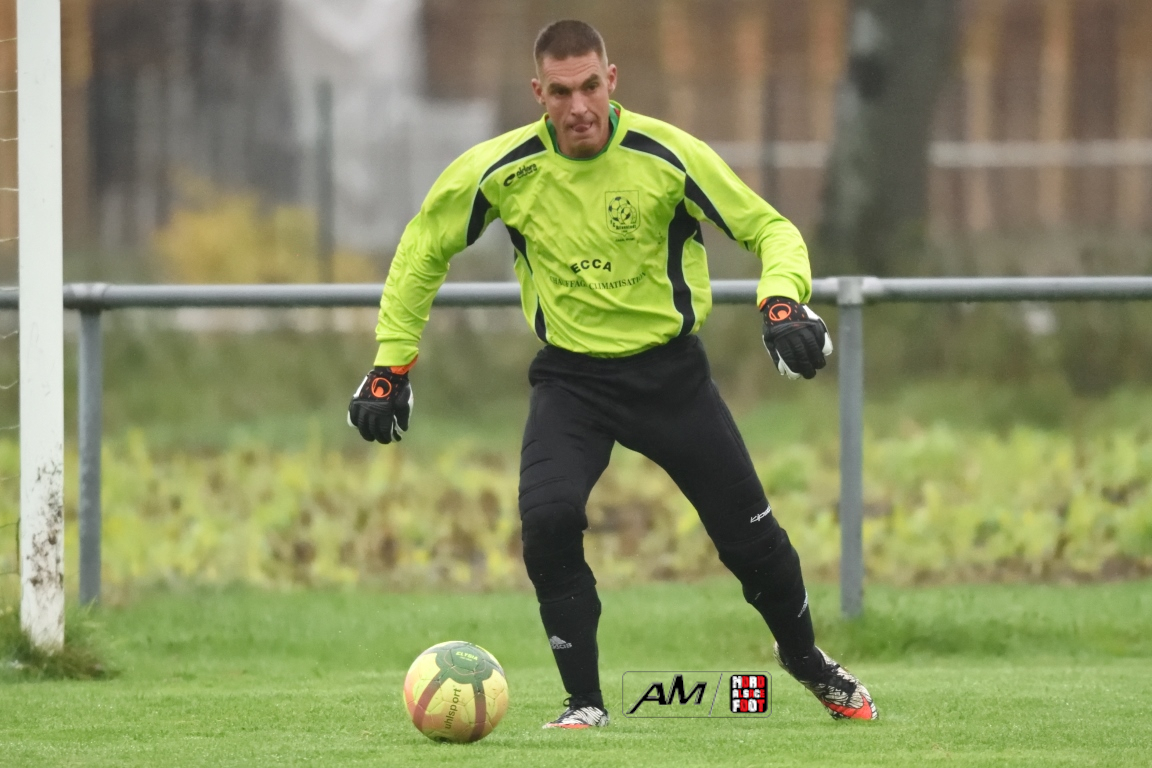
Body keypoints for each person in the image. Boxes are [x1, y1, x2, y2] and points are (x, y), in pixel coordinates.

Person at [348, 19, 877, 729]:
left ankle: (807, 659)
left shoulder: (667, 154)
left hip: (672, 380)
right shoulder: (501, 171)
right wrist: (391, 363)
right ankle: (585, 704)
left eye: (590, 87)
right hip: (572, 384)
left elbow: (770, 228)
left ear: (612, 80)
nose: (579, 107)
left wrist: (780, 302)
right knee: (547, 520)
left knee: (752, 543)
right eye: (561, 92)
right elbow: (422, 249)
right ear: (538, 94)